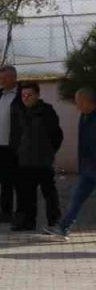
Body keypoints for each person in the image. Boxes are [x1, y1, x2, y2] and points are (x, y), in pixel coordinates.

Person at [10, 82, 63, 232]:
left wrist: (50, 151)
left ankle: (54, 222)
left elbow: (57, 136)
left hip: (44, 161)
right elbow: (15, 136)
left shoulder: (47, 111)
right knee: (27, 195)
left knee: (50, 194)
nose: (26, 98)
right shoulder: (19, 112)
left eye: (29, 95)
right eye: (23, 96)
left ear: (37, 95)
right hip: (25, 161)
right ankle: (28, 222)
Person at [46, 87, 96, 240]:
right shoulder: (84, 116)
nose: (77, 105)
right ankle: (63, 228)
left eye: (79, 102)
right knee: (76, 197)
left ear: (89, 102)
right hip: (87, 167)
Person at [0, 66, 25, 225]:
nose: (2, 81)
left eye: (5, 78)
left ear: (14, 78)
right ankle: (5, 212)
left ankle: (22, 213)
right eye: (0, 78)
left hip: (16, 147)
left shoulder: (22, 95)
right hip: (0, 146)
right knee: (5, 182)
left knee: (20, 182)